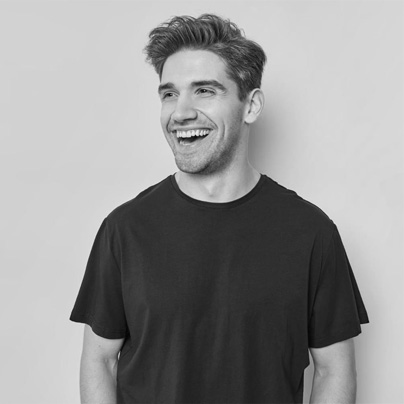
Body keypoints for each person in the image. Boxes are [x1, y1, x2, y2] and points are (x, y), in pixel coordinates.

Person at [70, 13, 369, 404]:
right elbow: (100, 360)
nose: (180, 112)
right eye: (169, 94)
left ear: (251, 106)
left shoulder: (312, 233)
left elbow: (334, 371)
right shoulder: (124, 229)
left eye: (204, 91)